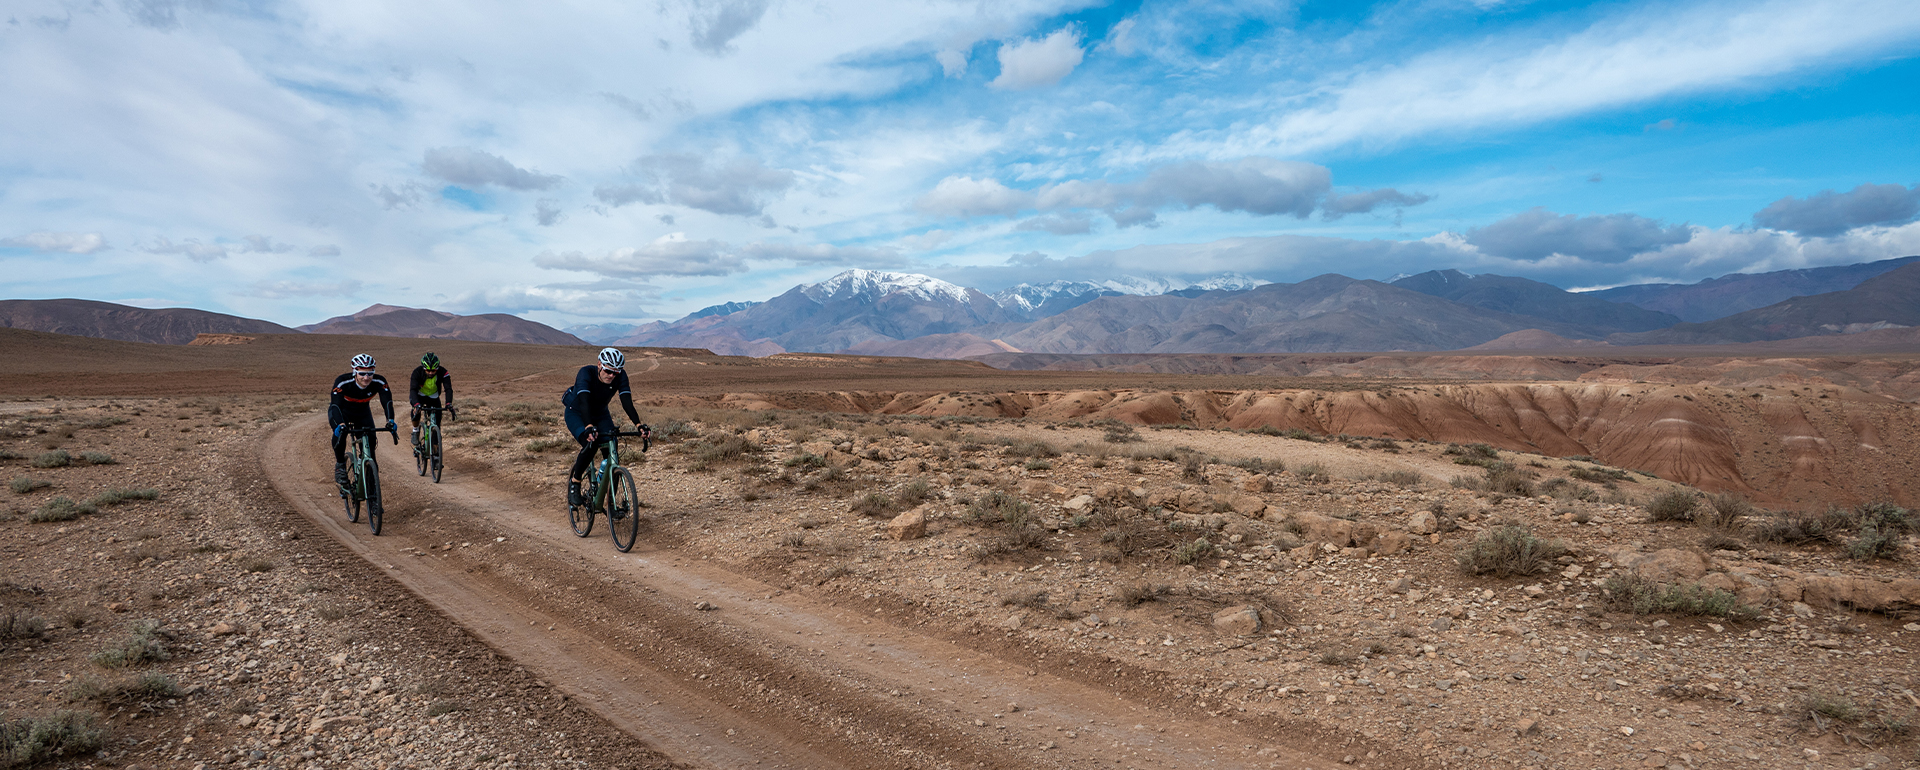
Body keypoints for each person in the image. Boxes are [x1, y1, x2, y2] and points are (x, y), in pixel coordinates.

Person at [563, 347, 647, 507]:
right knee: (591, 443)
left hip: (601, 414)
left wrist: (639, 425)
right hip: (578, 413)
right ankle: (575, 482)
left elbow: (626, 401)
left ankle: (611, 504)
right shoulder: (586, 373)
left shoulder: (619, 376)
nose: (612, 376)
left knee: (613, 451)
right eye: (608, 371)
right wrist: (588, 426)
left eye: (616, 373)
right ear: (599, 364)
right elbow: (584, 401)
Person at [329, 353, 396, 487]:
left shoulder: (379, 382)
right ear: (355, 372)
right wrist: (340, 424)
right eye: (362, 374)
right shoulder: (343, 382)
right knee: (341, 434)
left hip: (363, 413)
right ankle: (340, 465)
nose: (366, 378)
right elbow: (335, 405)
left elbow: (387, 401)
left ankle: (373, 496)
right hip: (343, 413)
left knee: (371, 452)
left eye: (370, 373)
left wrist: (391, 420)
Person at [408, 352, 455, 446]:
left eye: (433, 371)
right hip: (419, 396)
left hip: (433, 397)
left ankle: (435, 445)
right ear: (423, 368)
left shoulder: (443, 372)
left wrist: (448, 403)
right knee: (415, 412)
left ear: (437, 368)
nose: (430, 373)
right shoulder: (417, 372)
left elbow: (448, 388)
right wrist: (416, 404)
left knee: (437, 420)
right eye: (428, 371)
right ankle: (415, 431)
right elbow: (413, 390)